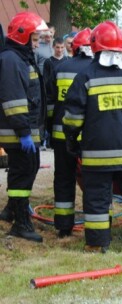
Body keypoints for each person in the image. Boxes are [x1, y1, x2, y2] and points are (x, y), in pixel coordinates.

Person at [62, 21, 122, 253]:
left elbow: (73, 119)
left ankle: (96, 243)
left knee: (97, 198)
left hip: (97, 155)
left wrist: (72, 141)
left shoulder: (86, 76)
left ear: (95, 47)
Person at [0, 12, 48, 243]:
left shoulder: (21, 57)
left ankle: (11, 211)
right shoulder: (11, 59)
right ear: (22, 36)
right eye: (35, 38)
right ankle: (20, 223)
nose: (37, 43)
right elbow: (14, 100)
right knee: (24, 171)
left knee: (28, 167)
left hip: (24, 129)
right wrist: (23, 133)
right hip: (17, 131)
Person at [46, 28, 93, 238]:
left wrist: (50, 126)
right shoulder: (97, 69)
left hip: (61, 134)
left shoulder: (61, 67)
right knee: (95, 181)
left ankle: (64, 226)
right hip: (90, 138)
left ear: (73, 49)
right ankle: (99, 224)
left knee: (64, 178)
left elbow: (49, 102)